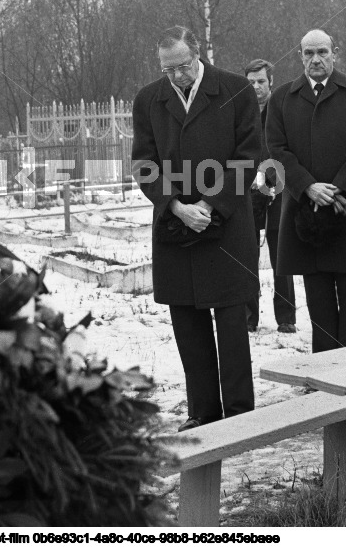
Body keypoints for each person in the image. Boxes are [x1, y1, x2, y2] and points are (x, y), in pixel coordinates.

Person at [132, 26, 261, 431]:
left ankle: (239, 413)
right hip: (175, 227)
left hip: (226, 223)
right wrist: (176, 206)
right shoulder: (149, 99)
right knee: (187, 321)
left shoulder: (237, 90)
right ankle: (202, 411)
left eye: (182, 67)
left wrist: (209, 203)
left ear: (198, 54)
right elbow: (144, 163)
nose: (176, 77)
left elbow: (250, 155)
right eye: (168, 70)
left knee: (230, 322)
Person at [266, 30, 346, 353]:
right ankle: (326, 377)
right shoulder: (282, 98)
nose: (315, 59)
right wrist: (308, 187)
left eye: (322, 52)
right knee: (318, 304)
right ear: (300, 56)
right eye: (308, 53)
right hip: (306, 215)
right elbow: (277, 149)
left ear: (335, 52)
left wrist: (339, 189)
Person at [244, 59, 297, 334]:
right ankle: (248, 316)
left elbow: (290, 151)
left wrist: (273, 179)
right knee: (246, 255)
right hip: (248, 192)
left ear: (270, 82)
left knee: (281, 257)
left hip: (278, 190)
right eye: (251, 82)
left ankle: (286, 317)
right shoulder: (240, 114)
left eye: (261, 81)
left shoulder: (283, 110)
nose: (256, 87)